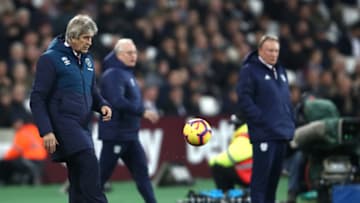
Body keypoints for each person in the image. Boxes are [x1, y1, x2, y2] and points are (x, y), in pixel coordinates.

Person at [30, 14, 112, 203]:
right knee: (90, 166)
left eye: (91, 38)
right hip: (64, 123)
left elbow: (92, 90)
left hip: (83, 125)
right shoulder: (50, 59)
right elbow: (37, 98)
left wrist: (103, 105)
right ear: (72, 37)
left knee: (77, 181)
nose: (90, 42)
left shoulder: (87, 59)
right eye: (86, 38)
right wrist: (47, 131)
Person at [98, 38, 159, 203]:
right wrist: (142, 111)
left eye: (135, 52)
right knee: (100, 178)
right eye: (129, 53)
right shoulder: (113, 74)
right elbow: (116, 101)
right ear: (118, 55)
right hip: (115, 134)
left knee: (142, 175)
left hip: (130, 135)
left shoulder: (126, 73)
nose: (133, 56)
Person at [236, 34, 295, 203]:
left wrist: (289, 122)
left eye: (276, 51)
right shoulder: (250, 70)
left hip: (280, 133)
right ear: (260, 50)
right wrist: (261, 120)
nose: (274, 54)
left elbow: (285, 99)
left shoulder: (280, 70)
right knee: (260, 182)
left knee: (273, 183)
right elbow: (244, 98)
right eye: (270, 50)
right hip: (264, 134)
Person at [208, 115, 252, 192]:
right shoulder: (251, 134)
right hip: (256, 175)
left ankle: (225, 194)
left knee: (217, 166)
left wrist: (212, 160)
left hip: (249, 177)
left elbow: (230, 157)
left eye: (234, 125)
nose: (233, 128)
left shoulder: (243, 137)